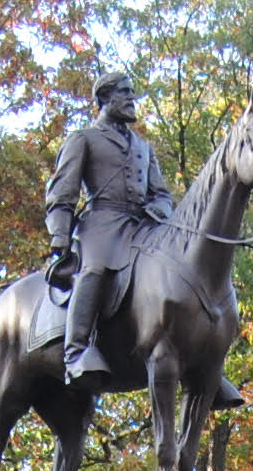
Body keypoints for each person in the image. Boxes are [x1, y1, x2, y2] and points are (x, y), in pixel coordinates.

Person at [42, 70, 172, 386]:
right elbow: (63, 192)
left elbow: (162, 194)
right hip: (101, 224)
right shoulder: (84, 139)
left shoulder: (144, 148)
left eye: (132, 92)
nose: (132, 99)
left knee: (179, 270)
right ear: (105, 99)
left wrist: (159, 210)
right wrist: (60, 236)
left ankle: (200, 357)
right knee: (95, 270)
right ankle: (75, 352)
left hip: (142, 226)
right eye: (124, 92)